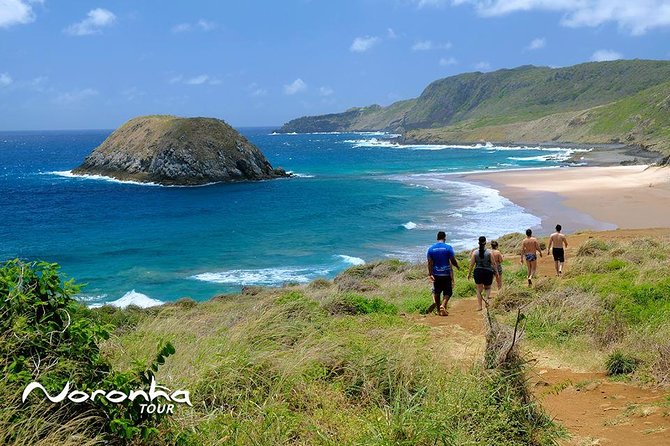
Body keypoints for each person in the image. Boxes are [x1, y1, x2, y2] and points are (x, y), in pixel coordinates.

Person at [427, 231, 459, 316]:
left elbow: (430, 263)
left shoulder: (431, 249)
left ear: (437, 238)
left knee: (437, 292)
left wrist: (430, 274)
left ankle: (438, 310)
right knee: (448, 291)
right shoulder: (448, 248)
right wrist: (457, 266)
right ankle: (443, 305)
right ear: (445, 238)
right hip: (446, 274)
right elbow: (452, 260)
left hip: (436, 274)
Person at [467, 236, 499, 311]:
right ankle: (487, 300)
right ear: (485, 242)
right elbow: (493, 263)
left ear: (478, 242)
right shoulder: (489, 252)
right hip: (488, 271)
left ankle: (479, 306)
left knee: (479, 290)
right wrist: (496, 272)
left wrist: (469, 273)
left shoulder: (475, 252)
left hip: (478, 272)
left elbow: (471, 264)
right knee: (487, 288)